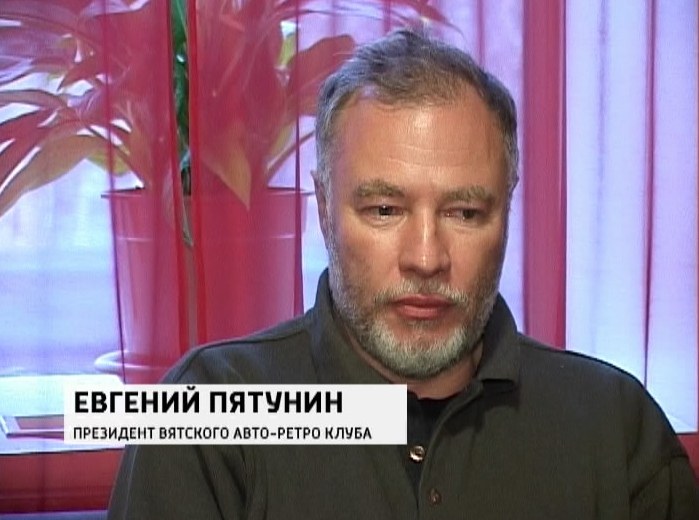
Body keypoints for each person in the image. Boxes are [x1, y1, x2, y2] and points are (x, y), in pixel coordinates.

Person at [108, 29, 699, 519]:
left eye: (464, 212)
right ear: (324, 208)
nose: (425, 257)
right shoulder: (205, 417)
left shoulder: (615, 428)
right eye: (385, 210)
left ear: (506, 210)